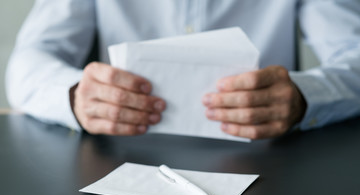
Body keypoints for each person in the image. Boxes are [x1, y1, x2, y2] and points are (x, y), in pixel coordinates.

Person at [6, 0, 360, 139]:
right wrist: (75, 95)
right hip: (120, 164)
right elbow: (28, 61)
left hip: (267, 165)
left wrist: (303, 95)